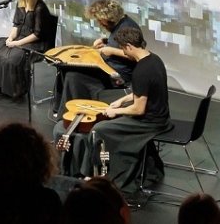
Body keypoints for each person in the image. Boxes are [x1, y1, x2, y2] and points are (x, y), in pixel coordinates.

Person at [53, 24, 169, 193]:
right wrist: (121, 101)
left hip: (150, 121)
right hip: (159, 113)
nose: (124, 53)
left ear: (129, 46)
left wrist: (116, 112)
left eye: (123, 49)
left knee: (98, 129)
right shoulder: (154, 59)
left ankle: (96, 175)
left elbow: (138, 109)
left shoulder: (141, 71)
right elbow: (143, 92)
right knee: (106, 120)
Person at [52, 0, 141, 116]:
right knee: (65, 67)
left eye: (101, 20)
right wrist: (105, 41)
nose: (100, 24)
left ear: (109, 17)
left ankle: (70, 114)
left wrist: (111, 50)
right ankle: (60, 109)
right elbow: (119, 42)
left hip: (117, 75)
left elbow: (137, 55)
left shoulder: (128, 28)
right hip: (105, 67)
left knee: (73, 76)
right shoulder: (118, 25)